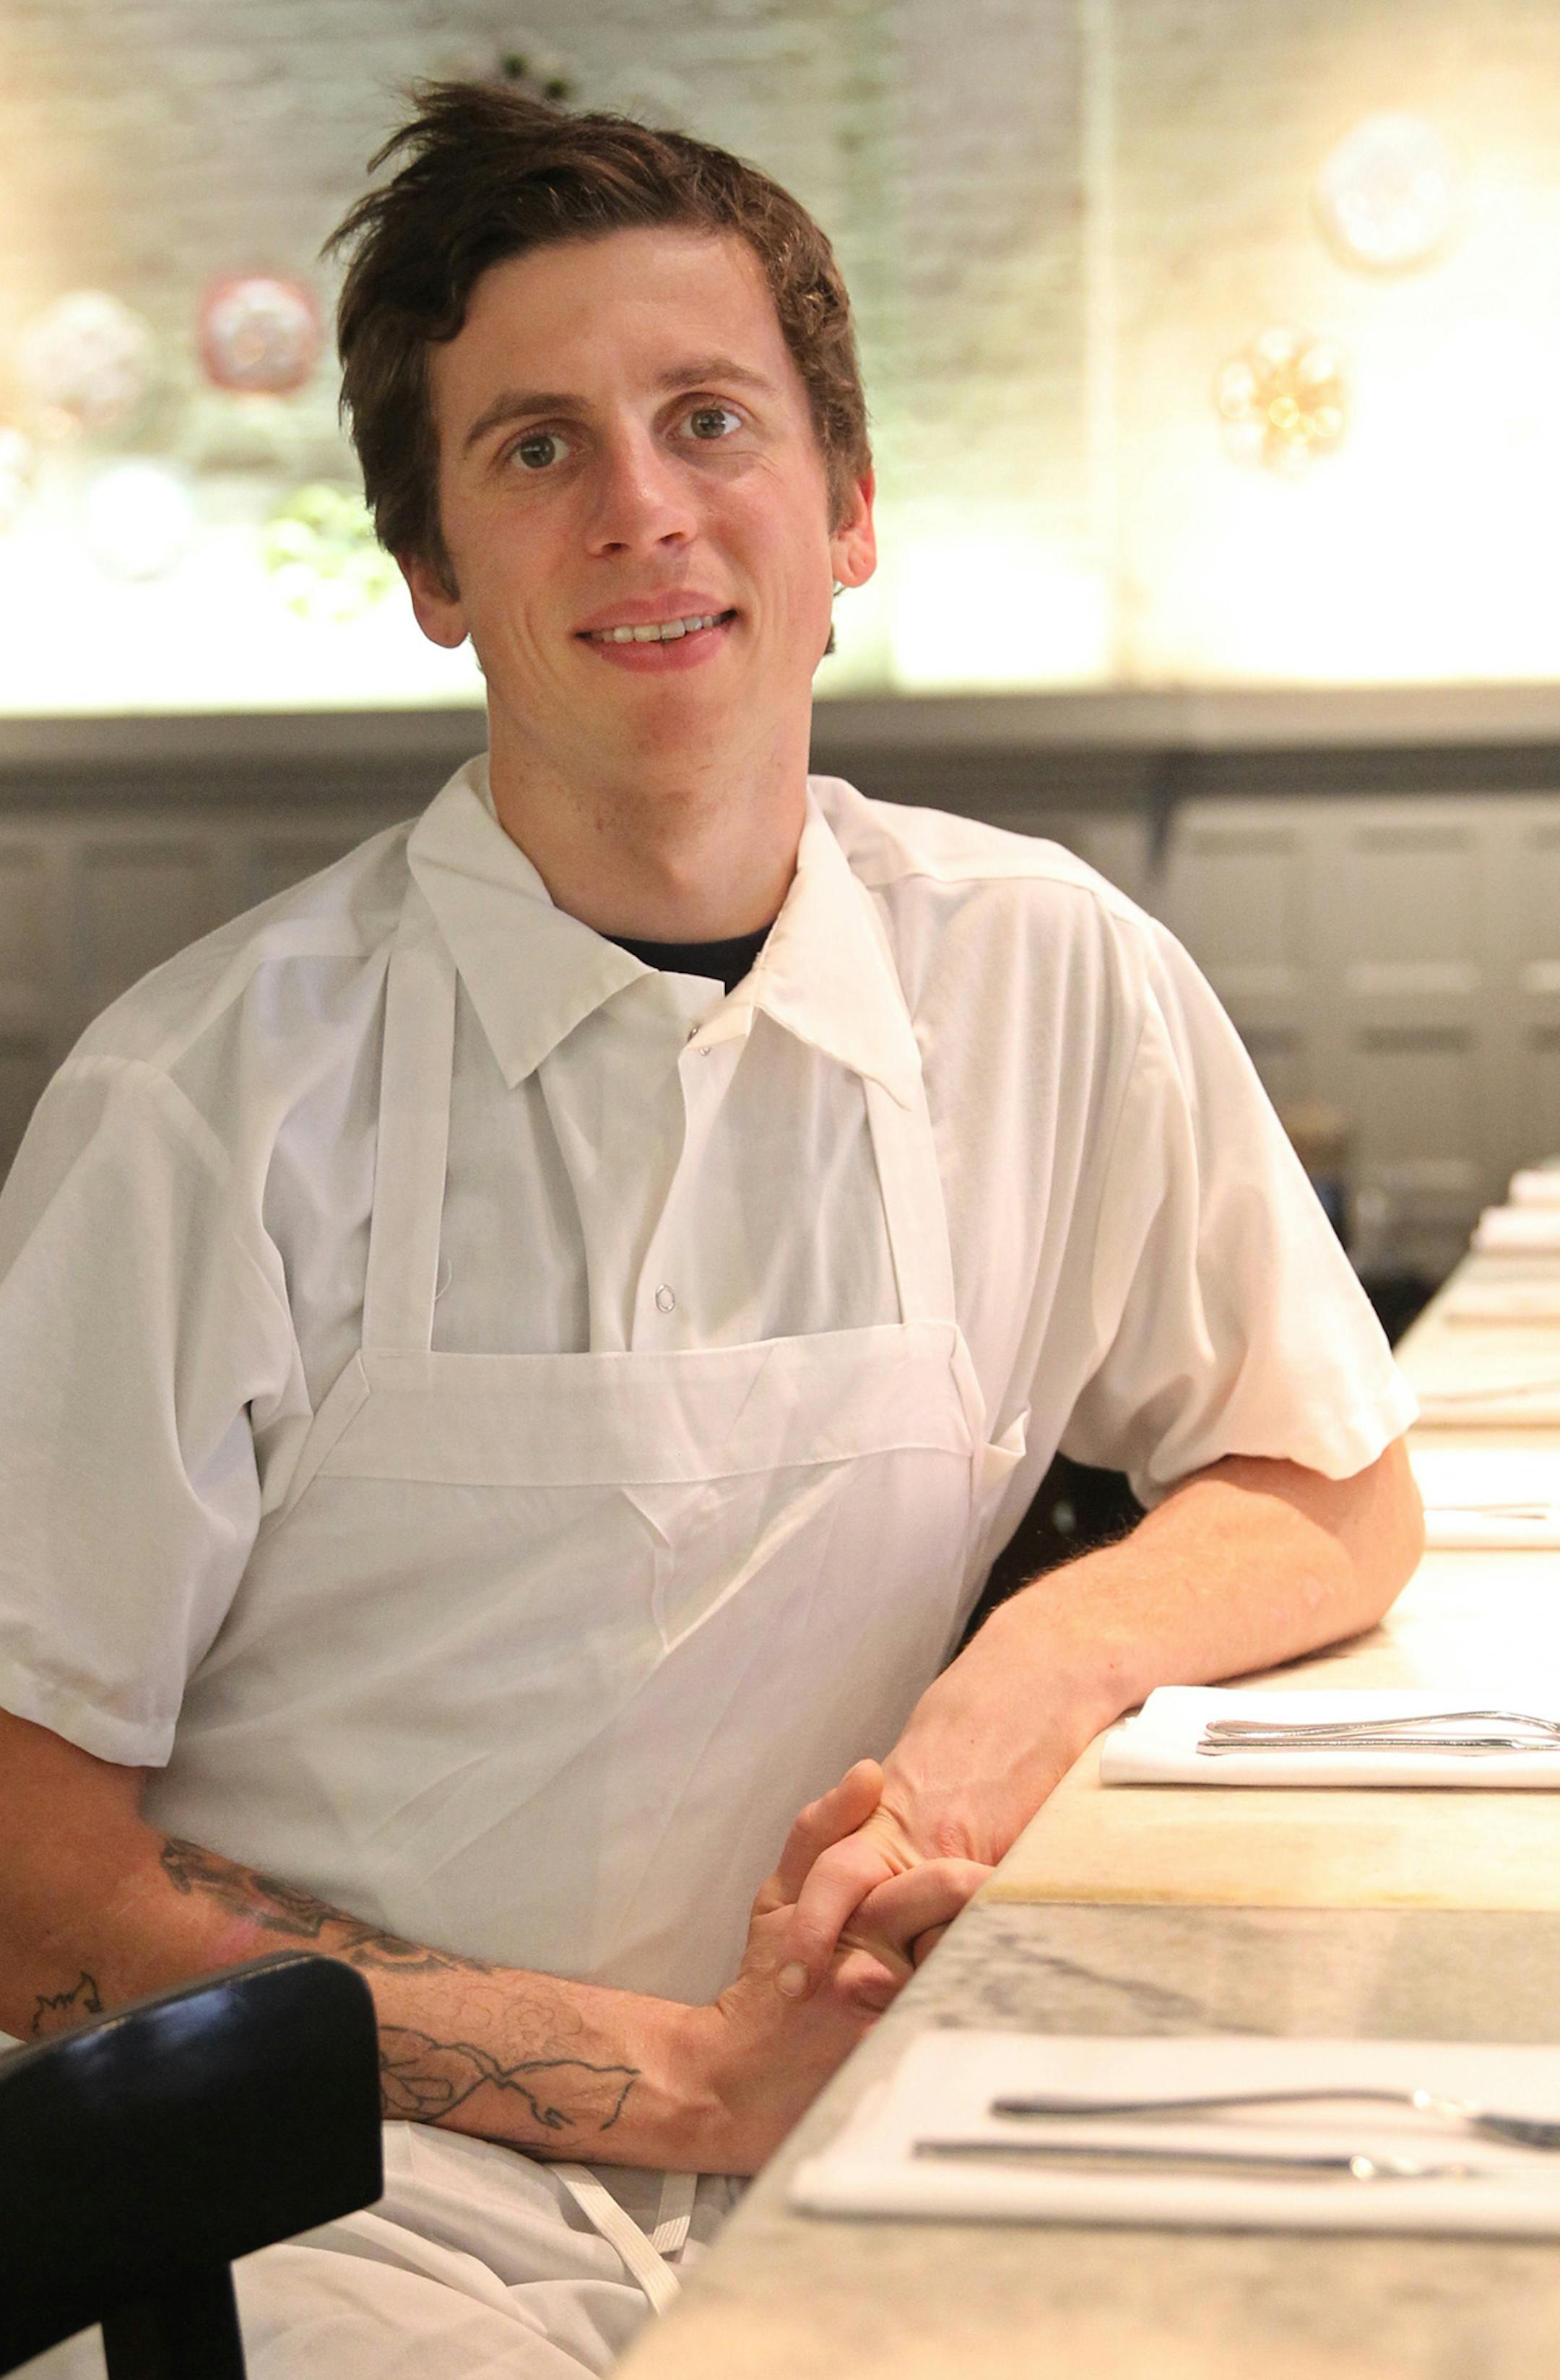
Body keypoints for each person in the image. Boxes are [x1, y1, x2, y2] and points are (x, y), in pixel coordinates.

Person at [0, 82, 1421, 2379]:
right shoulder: (209, 1102)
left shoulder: (1044, 974)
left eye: (709, 420)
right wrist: (671, 2078)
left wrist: (1021, 1682)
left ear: (847, 510)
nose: (644, 509)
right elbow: (21, 1873)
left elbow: (1331, 1485)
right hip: (328, 2206)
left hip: (865, 2115)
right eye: (536, 448)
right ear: (434, 573)